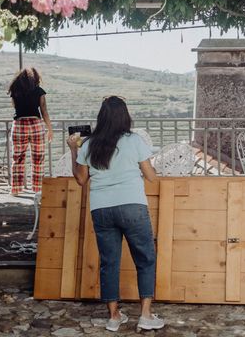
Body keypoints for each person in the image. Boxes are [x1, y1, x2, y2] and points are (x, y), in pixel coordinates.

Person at [67, 96, 164, 332]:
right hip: (132, 206)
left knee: (109, 263)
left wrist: (73, 149)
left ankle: (113, 317)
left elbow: (80, 179)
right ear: (125, 116)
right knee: (145, 259)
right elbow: (151, 176)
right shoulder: (134, 140)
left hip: (101, 209)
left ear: (102, 117)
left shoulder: (90, 144)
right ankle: (145, 314)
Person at [8, 68, 53, 195]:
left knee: (18, 158)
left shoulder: (15, 90)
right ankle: (37, 189)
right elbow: (44, 110)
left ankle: (16, 189)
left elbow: (15, 107)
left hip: (19, 124)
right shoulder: (39, 91)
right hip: (35, 125)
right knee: (38, 158)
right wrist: (49, 129)